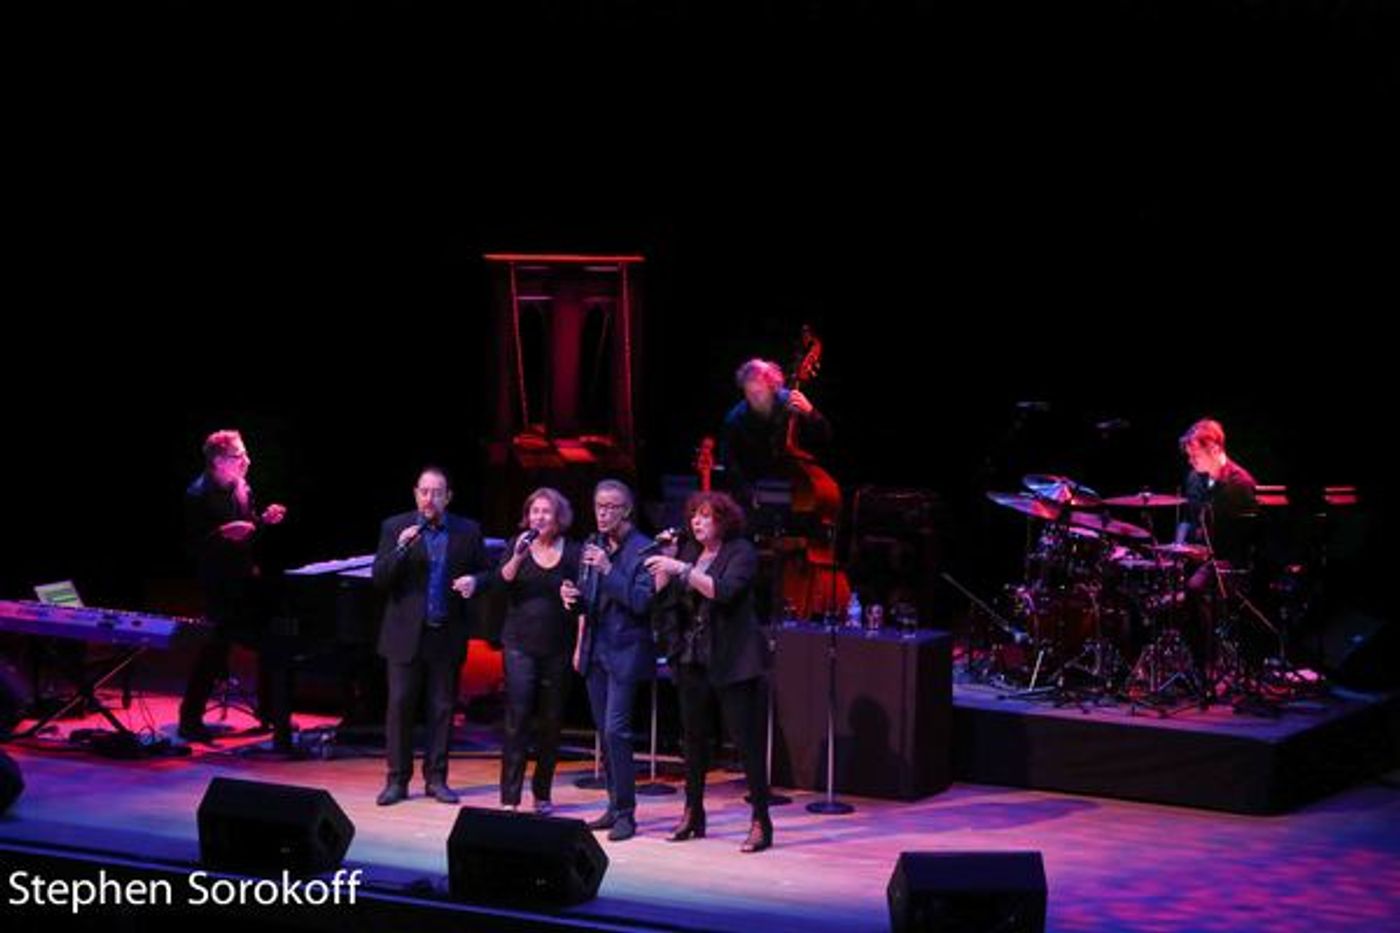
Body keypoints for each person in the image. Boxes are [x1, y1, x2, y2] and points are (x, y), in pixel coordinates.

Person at [647, 491, 773, 853]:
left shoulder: (741, 552)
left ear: (723, 520)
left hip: (733, 659)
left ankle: (761, 821)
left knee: (745, 743)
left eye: (705, 516)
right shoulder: (688, 553)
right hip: (692, 657)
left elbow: (726, 591)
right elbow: (667, 601)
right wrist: (667, 568)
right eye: (694, 517)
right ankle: (692, 813)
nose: (697, 523)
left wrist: (682, 571)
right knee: (695, 740)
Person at [372, 466, 488, 806]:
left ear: (448, 497)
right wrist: (401, 548)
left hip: (445, 633)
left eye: (437, 492)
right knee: (400, 706)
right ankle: (397, 780)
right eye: (424, 491)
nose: (429, 498)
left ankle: (436, 779)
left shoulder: (467, 531)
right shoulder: (395, 527)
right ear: (415, 493)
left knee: (441, 708)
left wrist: (475, 582)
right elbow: (380, 578)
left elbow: (486, 572)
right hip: (404, 635)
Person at [178, 429, 290, 748]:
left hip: (244, 580)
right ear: (217, 461)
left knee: (272, 639)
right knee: (215, 648)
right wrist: (221, 534)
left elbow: (249, 531)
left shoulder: (242, 487)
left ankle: (270, 712)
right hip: (217, 584)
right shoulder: (197, 495)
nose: (246, 461)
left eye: (245, 453)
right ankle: (189, 720)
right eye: (238, 455)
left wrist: (264, 520)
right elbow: (191, 547)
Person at [560, 479, 657, 841]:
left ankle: (627, 814)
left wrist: (607, 570)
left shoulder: (644, 549)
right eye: (599, 506)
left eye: (611, 507)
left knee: (617, 730)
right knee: (604, 733)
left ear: (627, 510)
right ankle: (613, 807)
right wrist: (572, 597)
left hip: (627, 651)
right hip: (595, 650)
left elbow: (641, 602)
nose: (602, 513)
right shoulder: (592, 545)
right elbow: (590, 598)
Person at [494, 487, 580, 814]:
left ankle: (542, 794)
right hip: (519, 644)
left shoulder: (572, 551)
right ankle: (510, 798)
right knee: (517, 720)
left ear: (558, 517)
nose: (539, 517)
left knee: (551, 722)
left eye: (546, 512)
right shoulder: (517, 546)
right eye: (534, 511)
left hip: (558, 646)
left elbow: (582, 598)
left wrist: (571, 595)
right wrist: (517, 554)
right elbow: (501, 584)